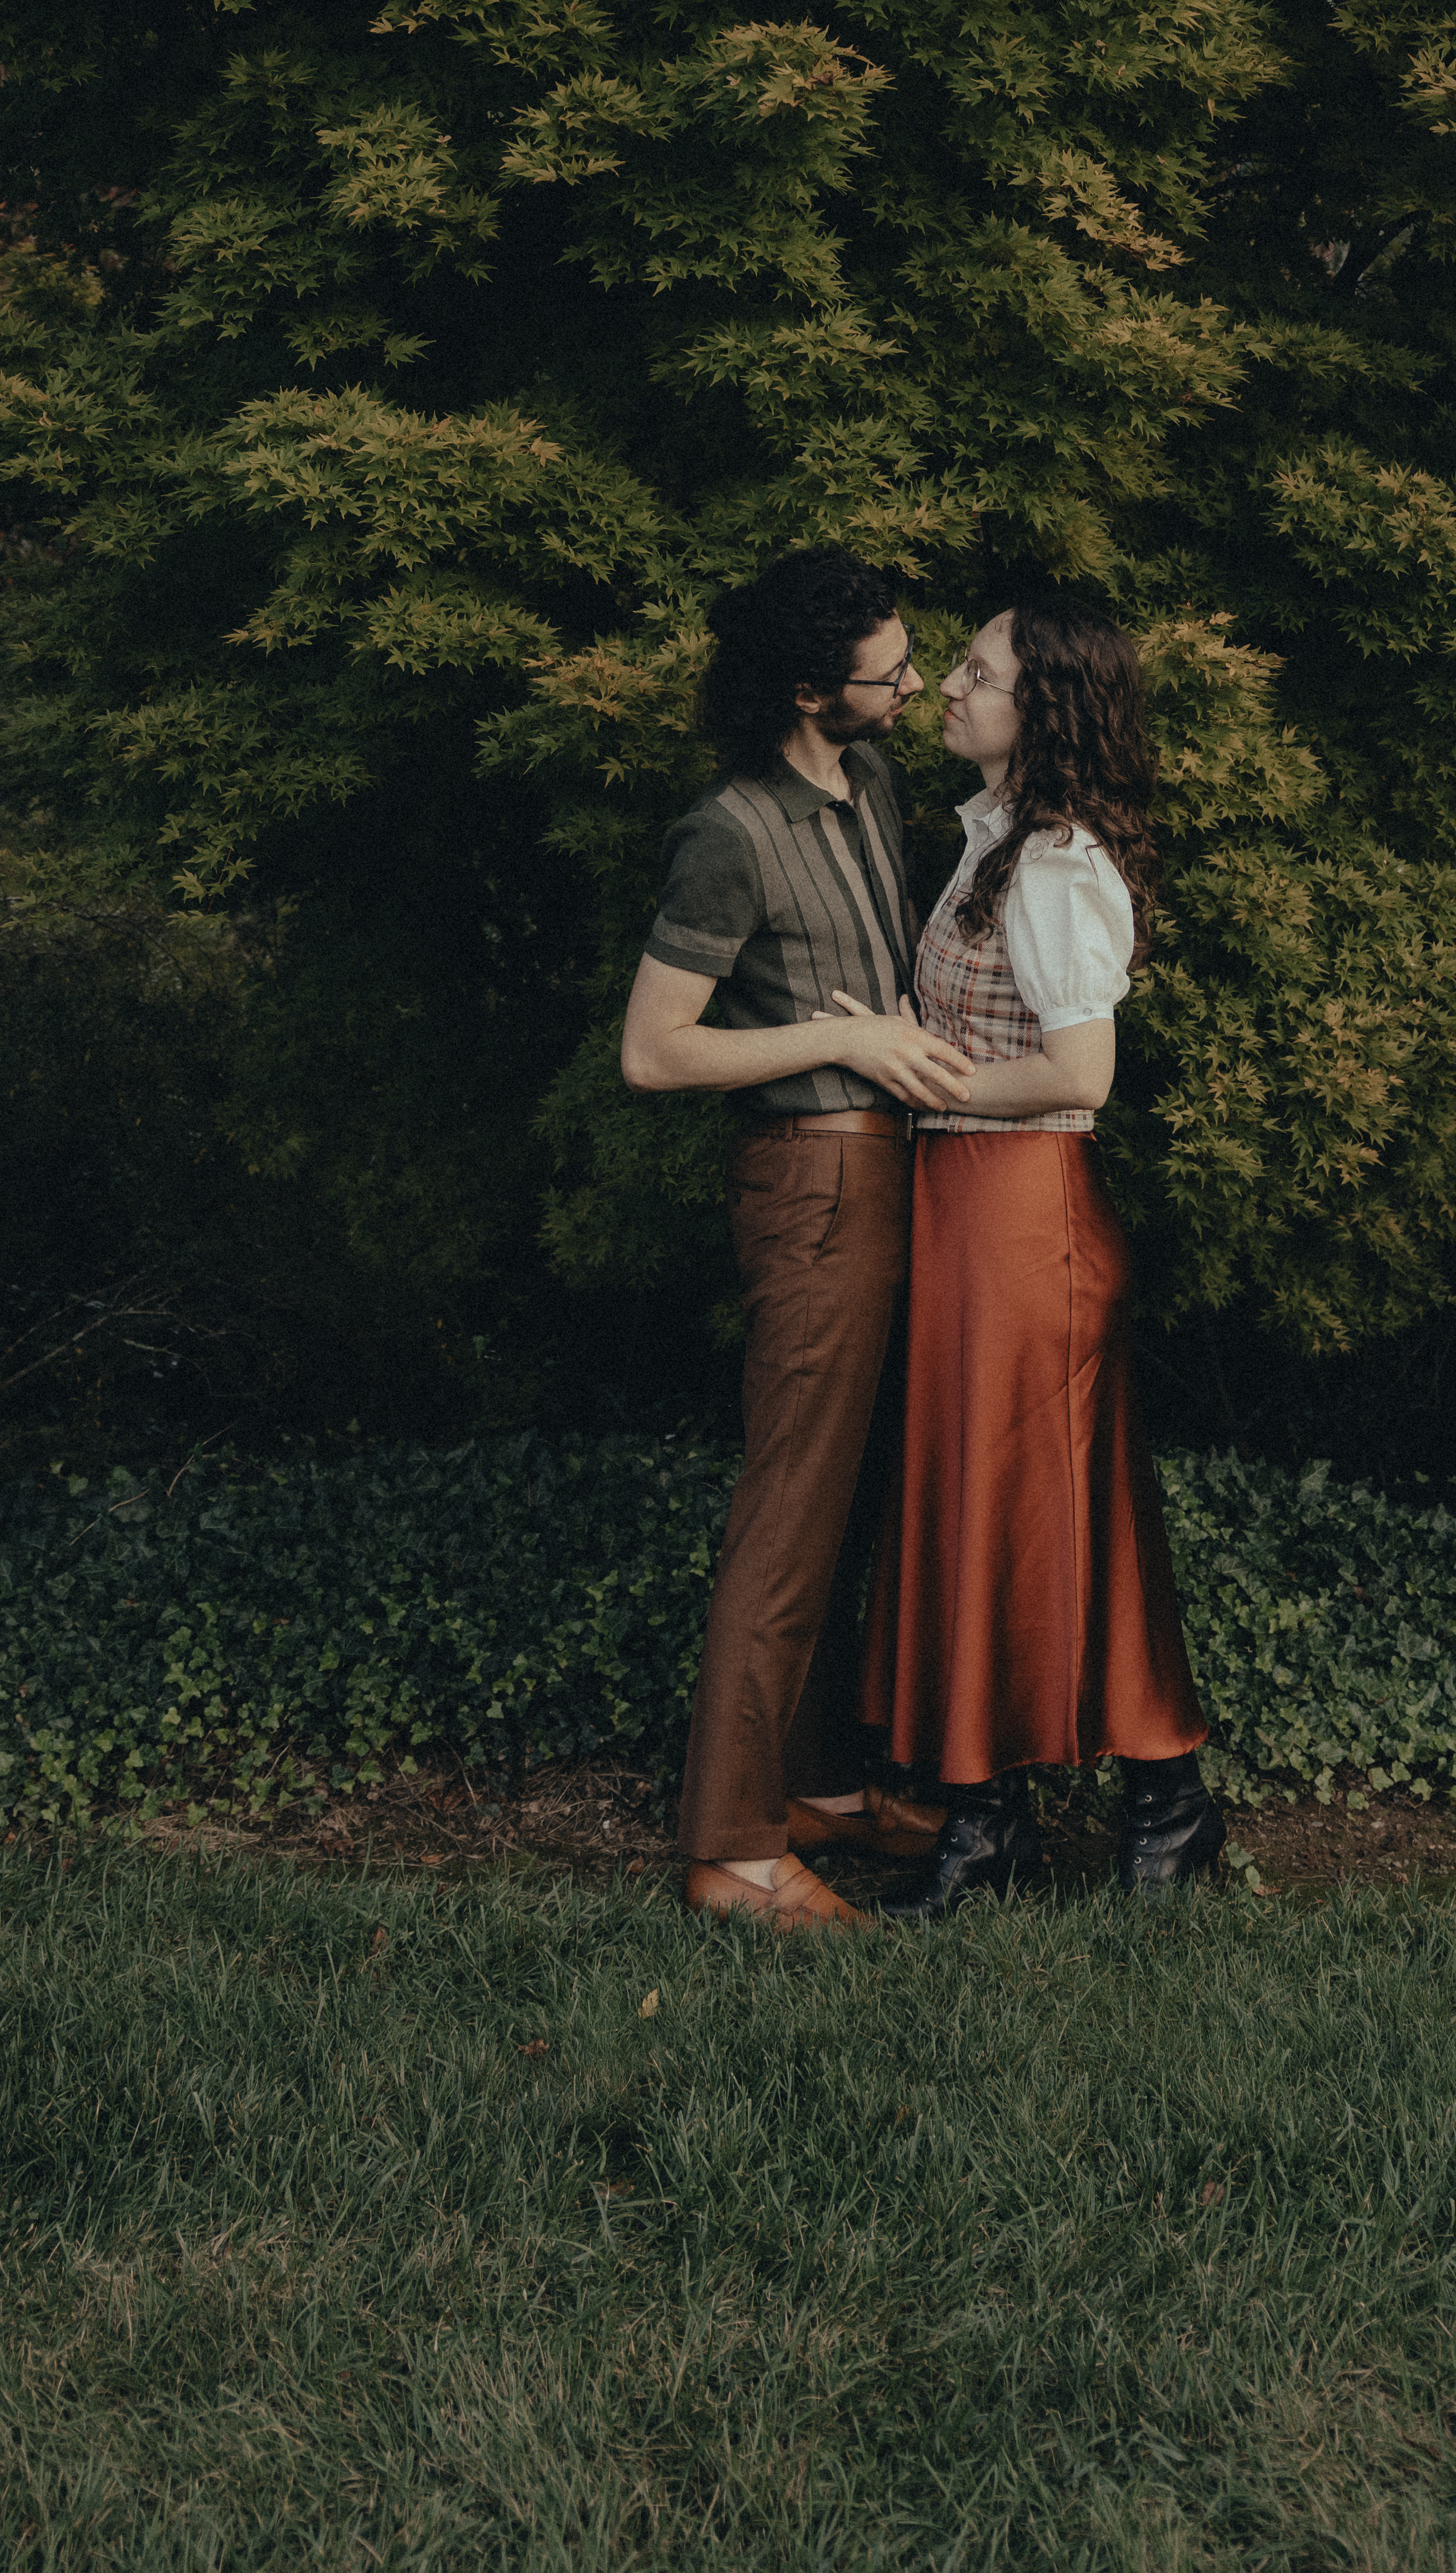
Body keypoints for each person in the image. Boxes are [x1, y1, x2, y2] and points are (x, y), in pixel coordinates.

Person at [620, 545, 976, 1929]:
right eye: (889, 670)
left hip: (897, 1178)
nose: (913, 682)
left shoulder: (873, 780)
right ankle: (728, 1850)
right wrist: (843, 1036)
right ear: (806, 689)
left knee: (859, 1497)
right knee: (788, 1510)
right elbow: (652, 1054)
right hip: (809, 1183)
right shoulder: (728, 829)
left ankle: (817, 1788)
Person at [856, 599, 1224, 1910]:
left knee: (1034, 1513)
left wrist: (919, 1078)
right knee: (980, 1507)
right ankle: (1003, 1814)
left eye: (978, 672)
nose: (949, 686)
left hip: (1023, 1218)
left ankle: (1111, 1809)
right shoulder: (992, 841)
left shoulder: (1060, 864)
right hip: (970, 1208)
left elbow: (1079, 1073)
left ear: (1045, 706)